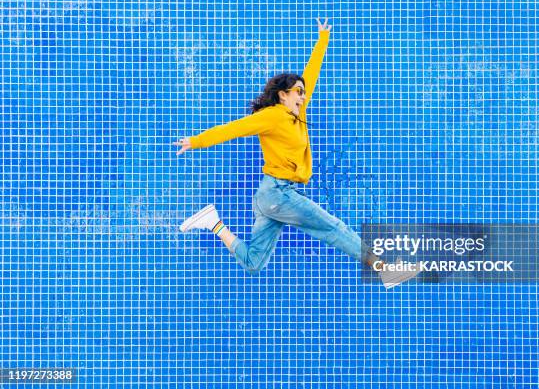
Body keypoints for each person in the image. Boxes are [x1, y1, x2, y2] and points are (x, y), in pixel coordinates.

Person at [174, 18, 419, 288]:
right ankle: (384, 269)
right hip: (278, 194)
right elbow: (233, 129)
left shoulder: (296, 113)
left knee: (254, 261)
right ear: (282, 95)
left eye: (303, 94)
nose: (303, 97)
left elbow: (310, 76)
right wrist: (196, 141)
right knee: (333, 228)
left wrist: (322, 39)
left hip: (271, 195)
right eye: (297, 93)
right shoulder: (271, 116)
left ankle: (213, 223)